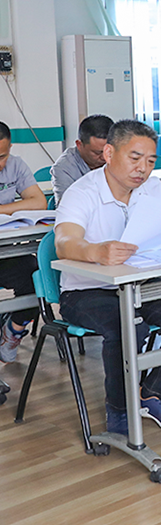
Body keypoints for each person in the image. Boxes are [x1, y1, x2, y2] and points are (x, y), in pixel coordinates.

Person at [54, 120, 161, 433]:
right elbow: (64, 242)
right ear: (109, 154)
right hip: (88, 292)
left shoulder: (154, 189)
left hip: (140, 286)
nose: (143, 169)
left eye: (150, 161)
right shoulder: (82, 192)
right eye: (134, 158)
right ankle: (120, 409)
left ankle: (154, 395)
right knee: (129, 328)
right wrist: (95, 251)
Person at [0, 121, 51, 367]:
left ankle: (12, 330)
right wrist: (15, 207)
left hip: (6, 251)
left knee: (36, 275)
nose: (0, 164)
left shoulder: (16, 165)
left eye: (2, 156)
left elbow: (38, 202)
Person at [51, 114, 113, 206]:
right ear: (79, 145)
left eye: (109, 152)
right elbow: (67, 207)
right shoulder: (64, 168)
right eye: (97, 153)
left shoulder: (122, 158)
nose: (105, 157)